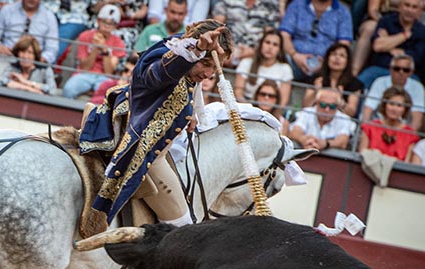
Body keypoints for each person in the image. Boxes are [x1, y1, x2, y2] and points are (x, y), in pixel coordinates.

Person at [79, 20, 232, 232]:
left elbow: (191, 82)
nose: (208, 75)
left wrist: (195, 110)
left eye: (214, 69)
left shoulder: (179, 50)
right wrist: (197, 50)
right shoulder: (172, 57)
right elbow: (158, 74)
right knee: (183, 229)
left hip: (139, 130)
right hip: (145, 152)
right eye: (206, 65)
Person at [62, 5, 127, 99]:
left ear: (115, 26)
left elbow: (109, 72)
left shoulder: (118, 42)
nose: (107, 25)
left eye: (111, 23)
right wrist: (96, 48)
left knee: (106, 97)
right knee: (69, 89)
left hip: (104, 78)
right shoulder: (85, 36)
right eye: (104, 21)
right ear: (98, 21)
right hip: (84, 74)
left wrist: (104, 49)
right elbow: (85, 67)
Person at [279, 0, 353, 82]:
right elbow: (284, 35)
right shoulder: (296, 5)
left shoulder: (343, 12)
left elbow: (344, 44)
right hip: (294, 60)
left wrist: (326, 63)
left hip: (326, 66)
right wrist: (295, 55)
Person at [357, 0, 425, 89]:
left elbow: (415, 58)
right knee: (359, 84)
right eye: (407, 5)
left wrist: (388, 45)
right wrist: (404, 36)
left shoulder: (421, 31)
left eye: (414, 7)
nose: (409, 10)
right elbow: (377, 46)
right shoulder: (386, 21)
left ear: (420, 11)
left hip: (406, 74)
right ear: (400, 7)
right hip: (379, 69)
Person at [361, 54, 424, 131]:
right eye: (397, 69)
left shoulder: (418, 88)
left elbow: (417, 118)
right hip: (377, 127)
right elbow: (368, 109)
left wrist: (408, 137)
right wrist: (366, 131)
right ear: (390, 69)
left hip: (403, 130)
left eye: (406, 70)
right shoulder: (379, 82)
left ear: (411, 72)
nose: (401, 72)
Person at [210, 0, 281, 65]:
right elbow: (216, 28)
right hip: (225, 52)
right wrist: (224, 50)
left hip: (255, 57)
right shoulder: (227, 1)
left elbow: (271, 36)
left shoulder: (271, 4)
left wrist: (254, 52)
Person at [302, 42, 363, 117]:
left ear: (348, 61)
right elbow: (305, 107)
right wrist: (316, 92)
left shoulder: (355, 83)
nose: (337, 58)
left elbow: (351, 113)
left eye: (342, 56)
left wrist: (340, 101)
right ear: (328, 58)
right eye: (334, 54)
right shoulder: (316, 78)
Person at [0, 0, 59, 64]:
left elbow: (52, 49)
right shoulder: (7, 10)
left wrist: (38, 60)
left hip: (35, 65)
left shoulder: (49, 17)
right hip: (6, 59)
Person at [359, 86, 420, 161]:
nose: (394, 109)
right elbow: (362, 156)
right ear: (384, 105)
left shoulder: (411, 135)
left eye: (399, 106)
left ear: (405, 109)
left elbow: (407, 165)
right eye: (391, 104)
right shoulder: (369, 128)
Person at [233, 29, 292, 106]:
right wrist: (249, 109)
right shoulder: (246, 63)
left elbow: (282, 102)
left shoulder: (285, 69)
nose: (270, 47)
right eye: (267, 42)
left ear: (279, 49)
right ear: (261, 44)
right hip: (246, 107)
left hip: (271, 111)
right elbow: (238, 91)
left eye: (275, 44)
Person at [289, 87, 355, 150]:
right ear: (316, 103)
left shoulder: (344, 119)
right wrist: (304, 140)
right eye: (323, 105)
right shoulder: (306, 112)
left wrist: (325, 144)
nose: (327, 109)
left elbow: (343, 142)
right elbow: (294, 132)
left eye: (332, 106)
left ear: (338, 106)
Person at [351, 0, 399, 76]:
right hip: (380, 19)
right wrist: (385, 24)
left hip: (403, 22)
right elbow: (373, 11)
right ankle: (354, 72)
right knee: (370, 28)